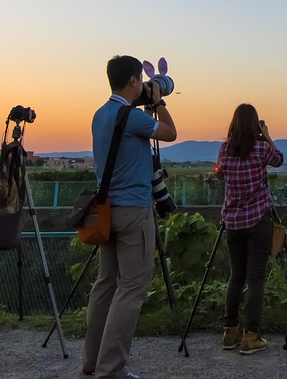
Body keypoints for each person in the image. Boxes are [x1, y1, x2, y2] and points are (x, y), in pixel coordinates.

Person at [83, 55, 178, 379]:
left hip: (107, 210)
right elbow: (169, 132)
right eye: (141, 80)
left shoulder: (100, 115)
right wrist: (159, 101)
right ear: (135, 81)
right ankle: (111, 369)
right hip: (134, 211)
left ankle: (92, 362)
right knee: (132, 289)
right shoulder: (131, 117)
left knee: (106, 285)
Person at [216, 104, 284, 354]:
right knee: (255, 278)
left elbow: (221, 174)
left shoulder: (225, 149)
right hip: (258, 221)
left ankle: (229, 332)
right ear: (255, 124)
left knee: (236, 276)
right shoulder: (261, 148)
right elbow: (279, 160)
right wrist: (266, 135)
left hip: (233, 223)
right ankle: (251, 336)